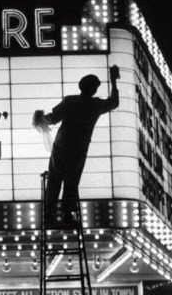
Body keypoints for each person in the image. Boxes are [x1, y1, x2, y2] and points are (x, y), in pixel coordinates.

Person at [34, 65, 119, 225]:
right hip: (79, 147)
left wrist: (40, 119)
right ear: (93, 89)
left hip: (62, 144)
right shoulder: (95, 105)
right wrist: (113, 80)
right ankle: (67, 214)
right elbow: (114, 102)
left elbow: (53, 118)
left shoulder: (70, 100)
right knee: (72, 180)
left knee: (54, 178)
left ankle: (49, 213)